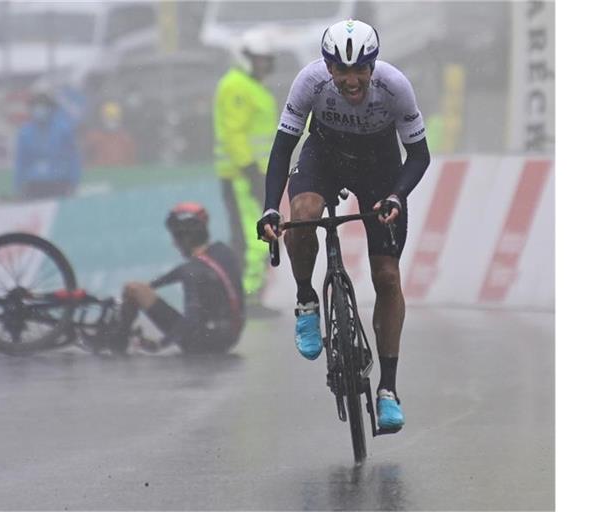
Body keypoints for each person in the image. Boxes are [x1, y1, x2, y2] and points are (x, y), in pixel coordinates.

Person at [256, 19, 431, 432]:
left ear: (373, 66)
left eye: (360, 71)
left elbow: (419, 156)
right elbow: (283, 149)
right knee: (301, 215)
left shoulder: (395, 86)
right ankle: (306, 301)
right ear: (328, 67)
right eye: (342, 71)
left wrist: (395, 196)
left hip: (379, 165)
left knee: (387, 277)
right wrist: (269, 208)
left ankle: (387, 389)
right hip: (325, 153)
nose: (352, 81)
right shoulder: (309, 82)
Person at [213, 27, 280, 316]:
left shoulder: (251, 86)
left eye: (266, 61)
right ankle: (247, 298)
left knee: (250, 236)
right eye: (259, 60)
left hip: (255, 173)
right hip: (243, 176)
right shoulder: (236, 86)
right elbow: (234, 133)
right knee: (257, 237)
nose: (263, 65)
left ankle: (244, 297)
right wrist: (251, 171)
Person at [120, 202, 244, 355]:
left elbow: (191, 321)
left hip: (203, 343)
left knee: (133, 288)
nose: (174, 243)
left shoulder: (192, 272)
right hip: (231, 336)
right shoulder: (223, 251)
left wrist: (159, 345)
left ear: (185, 237)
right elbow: (178, 273)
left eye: (175, 237)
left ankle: (117, 340)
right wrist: (152, 285)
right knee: (138, 289)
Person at [14, 92, 82, 200]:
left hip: (59, 182)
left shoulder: (63, 129)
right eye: (36, 107)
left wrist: (74, 181)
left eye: (43, 107)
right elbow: (21, 161)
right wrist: (18, 185)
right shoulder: (25, 132)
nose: (39, 110)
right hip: (34, 184)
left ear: (51, 109)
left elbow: (73, 157)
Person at [82, 101, 137, 168]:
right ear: (102, 119)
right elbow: (85, 156)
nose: (111, 122)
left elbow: (131, 159)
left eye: (114, 119)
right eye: (108, 118)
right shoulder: (94, 137)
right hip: (100, 173)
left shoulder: (125, 138)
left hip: (120, 173)